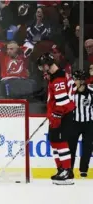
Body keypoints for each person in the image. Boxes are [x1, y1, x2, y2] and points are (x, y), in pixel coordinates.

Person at [37, 52, 76, 185]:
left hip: (63, 115)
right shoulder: (57, 76)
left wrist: (55, 116)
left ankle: (67, 171)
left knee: (60, 142)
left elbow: (63, 101)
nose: (42, 69)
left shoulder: (58, 78)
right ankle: (61, 169)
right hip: (59, 114)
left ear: (48, 65)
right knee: (54, 142)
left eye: (43, 66)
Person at [68, 70, 93, 178]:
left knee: (87, 147)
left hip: (89, 123)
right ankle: (69, 170)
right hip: (74, 123)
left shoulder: (91, 91)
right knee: (71, 148)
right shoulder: (71, 92)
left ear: (82, 81)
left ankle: (83, 170)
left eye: (76, 79)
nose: (74, 81)